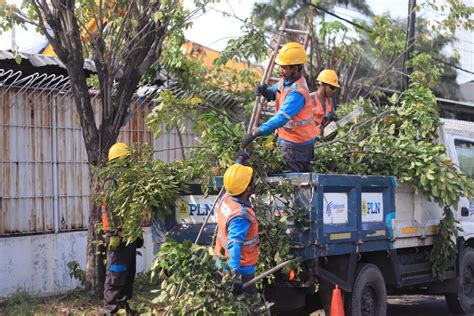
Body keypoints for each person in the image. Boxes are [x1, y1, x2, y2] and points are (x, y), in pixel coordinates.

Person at [242, 42, 317, 172]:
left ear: (296, 68)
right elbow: (275, 92)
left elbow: (281, 118)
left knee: (294, 184)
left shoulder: (297, 93)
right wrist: (266, 91)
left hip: (295, 146)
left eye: (284, 67)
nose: (280, 70)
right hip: (297, 142)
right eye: (280, 66)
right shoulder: (285, 81)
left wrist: (256, 132)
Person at [102, 142, 143, 314]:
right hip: (117, 236)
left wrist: (137, 234)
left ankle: (123, 307)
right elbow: (110, 209)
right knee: (116, 275)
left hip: (128, 236)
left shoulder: (127, 182)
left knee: (127, 274)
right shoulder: (112, 182)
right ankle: (111, 309)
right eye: (126, 161)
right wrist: (113, 234)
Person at [214, 163, 260, 296]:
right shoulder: (241, 215)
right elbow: (234, 244)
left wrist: (239, 162)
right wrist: (235, 274)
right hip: (240, 268)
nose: (253, 182)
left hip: (221, 261)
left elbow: (233, 182)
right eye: (250, 181)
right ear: (246, 189)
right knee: (251, 306)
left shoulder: (227, 197)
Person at [310, 69, 340, 138]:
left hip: (322, 139)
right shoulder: (310, 100)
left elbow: (332, 118)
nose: (333, 90)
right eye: (332, 87)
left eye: (334, 88)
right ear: (322, 84)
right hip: (308, 139)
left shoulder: (329, 101)